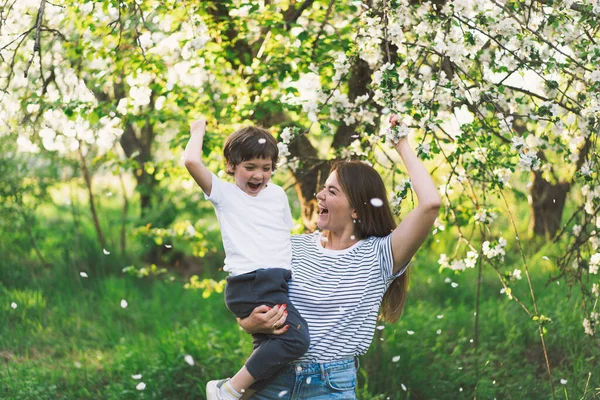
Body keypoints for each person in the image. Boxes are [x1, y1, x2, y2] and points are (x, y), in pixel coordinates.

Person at [237, 114, 442, 399]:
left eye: (331, 191)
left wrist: (402, 144)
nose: (319, 195)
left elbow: (430, 204)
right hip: (270, 380)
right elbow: (250, 301)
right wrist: (248, 322)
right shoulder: (290, 247)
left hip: (329, 387)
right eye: (323, 188)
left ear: (356, 209)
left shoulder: (380, 255)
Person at [184, 120, 310, 400]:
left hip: (275, 282)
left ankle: (240, 394)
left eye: (266, 168)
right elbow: (192, 161)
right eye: (250, 167)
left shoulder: (277, 195)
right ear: (231, 165)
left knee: (270, 359)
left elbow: (282, 237)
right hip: (253, 282)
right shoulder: (225, 195)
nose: (259, 175)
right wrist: (197, 131)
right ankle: (227, 390)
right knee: (296, 339)